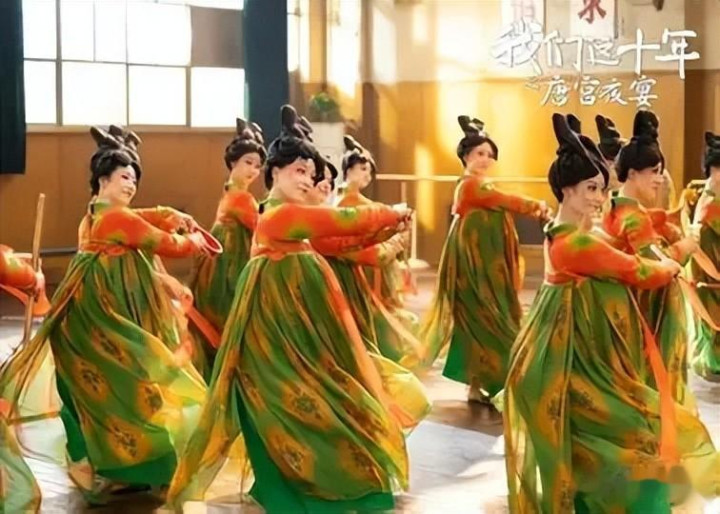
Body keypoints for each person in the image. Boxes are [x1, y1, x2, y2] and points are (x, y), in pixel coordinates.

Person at [504, 113, 719, 513]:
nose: (598, 198)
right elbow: (639, 270)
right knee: (634, 429)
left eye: (601, 189)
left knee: (600, 440)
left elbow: (614, 244)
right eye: (590, 188)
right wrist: (675, 260)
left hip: (576, 358)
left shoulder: (568, 234)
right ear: (566, 189)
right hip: (566, 364)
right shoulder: (575, 244)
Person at [419, 115, 549, 403]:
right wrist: (536, 205)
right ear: (466, 156)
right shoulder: (471, 186)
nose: (485, 159)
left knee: (484, 317)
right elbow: (505, 200)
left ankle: (480, 383)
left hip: (488, 264)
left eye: (489, 155)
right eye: (480, 153)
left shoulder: (481, 185)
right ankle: (492, 380)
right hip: (474, 264)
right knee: (483, 317)